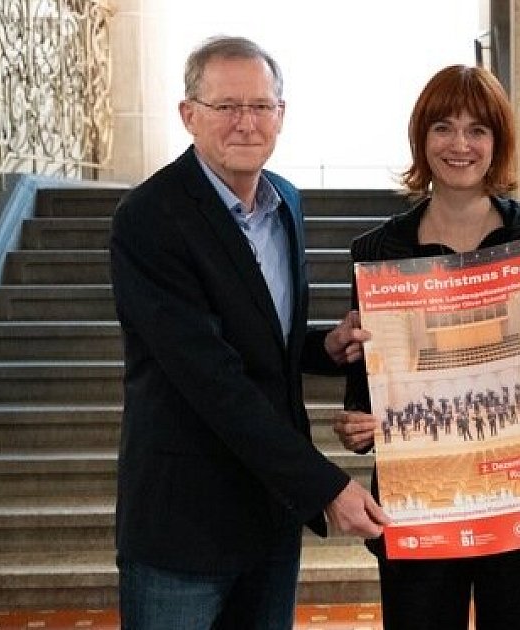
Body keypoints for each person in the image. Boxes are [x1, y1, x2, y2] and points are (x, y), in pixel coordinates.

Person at [108, 35, 389, 629]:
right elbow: (211, 378)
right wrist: (326, 487)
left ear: (281, 115)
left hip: (268, 518)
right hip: (184, 524)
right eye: (226, 106)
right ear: (189, 115)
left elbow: (262, 336)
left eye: (261, 106)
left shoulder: (284, 200)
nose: (246, 123)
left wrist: (325, 348)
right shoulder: (150, 218)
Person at [330, 64, 520, 630]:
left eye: (476, 129)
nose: (459, 144)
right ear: (422, 138)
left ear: (498, 142)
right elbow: (364, 401)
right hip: (421, 508)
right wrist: (357, 428)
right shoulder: (377, 250)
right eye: (443, 127)